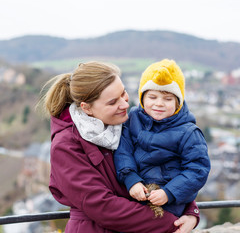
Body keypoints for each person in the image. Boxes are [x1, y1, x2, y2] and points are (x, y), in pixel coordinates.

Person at [38, 61, 200, 233]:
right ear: (87, 108)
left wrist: (190, 211)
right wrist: (172, 223)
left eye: (123, 93)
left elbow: (165, 168)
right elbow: (103, 206)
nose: (124, 104)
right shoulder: (66, 146)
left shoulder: (126, 124)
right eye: (113, 102)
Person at [114, 59, 211, 218]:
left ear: (178, 103)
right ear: (142, 97)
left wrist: (169, 192)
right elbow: (123, 151)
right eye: (152, 97)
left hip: (169, 203)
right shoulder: (132, 119)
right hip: (134, 193)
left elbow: (197, 170)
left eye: (168, 99)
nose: (159, 104)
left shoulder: (188, 132)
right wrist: (131, 179)